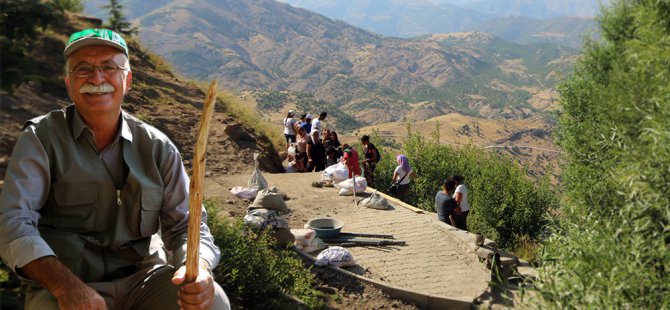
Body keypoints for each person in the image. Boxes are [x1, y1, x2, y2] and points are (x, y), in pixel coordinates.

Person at [0, 28, 230, 310]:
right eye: (83, 69)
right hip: (67, 281)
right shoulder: (40, 139)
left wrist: (199, 267)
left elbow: (185, 226)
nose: (97, 78)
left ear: (128, 79)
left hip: (145, 279)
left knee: (213, 302)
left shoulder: (158, 147)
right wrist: (65, 286)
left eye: (109, 67)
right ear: (69, 84)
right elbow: (13, 223)